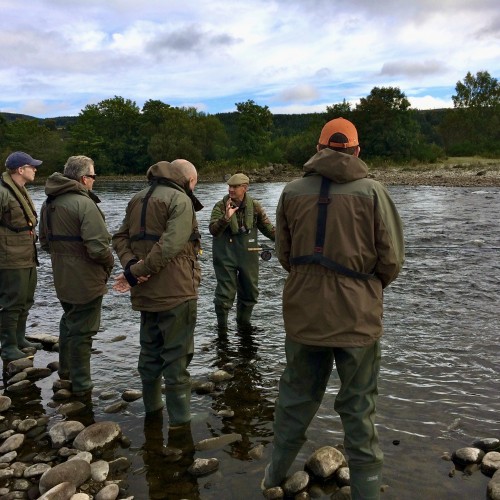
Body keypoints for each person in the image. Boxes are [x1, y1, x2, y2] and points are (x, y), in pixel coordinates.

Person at [262, 118, 405, 499]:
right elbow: (391, 260)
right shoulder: (373, 191)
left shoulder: (290, 192)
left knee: (294, 399)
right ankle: (366, 492)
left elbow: (285, 256)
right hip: (357, 318)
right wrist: (365, 288)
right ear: (357, 151)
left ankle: (273, 478)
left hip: (303, 314)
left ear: (318, 148)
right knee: (359, 410)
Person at [112, 159, 202, 428]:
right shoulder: (180, 200)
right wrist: (138, 270)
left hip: (145, 295)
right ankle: (181, 423)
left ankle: (153, 414)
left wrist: (131, 267)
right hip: (176, 293)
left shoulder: (137, 198)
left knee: (149, 354)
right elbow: (171, 244)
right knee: (177, 361)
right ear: (189, 180)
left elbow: (119, 238)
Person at [39, 155, 114, 396]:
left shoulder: (48, 202)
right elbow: (98, 248)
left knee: (69, 320)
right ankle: (82, 385)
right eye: (93, 176)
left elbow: (44, 242)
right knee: (83, 331)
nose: (94, 180)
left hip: (61, 275)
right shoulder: (84, 204)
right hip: (85, 278)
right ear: (84, 178)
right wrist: (110, 263)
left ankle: (66, 372)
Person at [209, 173, 275, 331]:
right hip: (225, 254)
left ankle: (244, 326)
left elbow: (268, 229)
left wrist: (287, 240)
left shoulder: (255, 206)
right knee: (225, 294)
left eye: (235, 187)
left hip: (248, 254)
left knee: (250, 292)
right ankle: (222, 330)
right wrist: (225, 218)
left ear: (245, 188)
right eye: (230, 187)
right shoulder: (220, 206)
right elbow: (213, 230)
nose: (231, 190)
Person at [0, 151, 43, 362]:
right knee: (12, 302)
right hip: (10, 258)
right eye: (31, 166)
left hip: (26, 255)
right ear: (20, 170)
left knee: (26, 299)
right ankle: (8, 346)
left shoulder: (20, 190)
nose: (35, 169)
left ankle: (19, 339)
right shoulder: (2, 192)